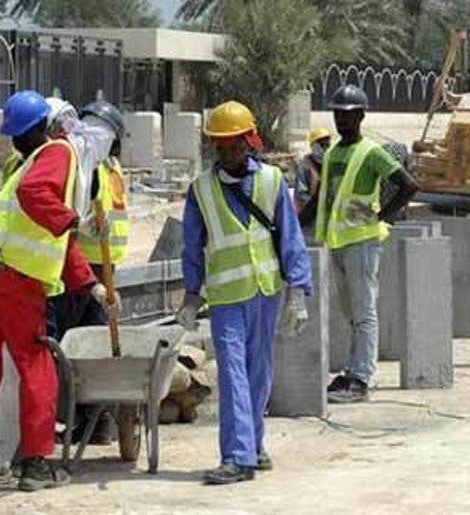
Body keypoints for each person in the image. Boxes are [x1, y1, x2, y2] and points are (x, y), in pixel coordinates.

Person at [0, 90, 115, 491]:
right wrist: (77, 222)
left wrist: (88, 284)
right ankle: (35, 463)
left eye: (15, 135)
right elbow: (40, 203)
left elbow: (47, 229)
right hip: (14, 276)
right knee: (36, 363)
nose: (14, 142)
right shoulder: (58, 154)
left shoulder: (22, 165)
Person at [177, 100, 312, 485]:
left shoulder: (271, 182)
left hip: (265, 291)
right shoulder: (201, 190)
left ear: (249, 142)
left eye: (234, 145)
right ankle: (237, 456)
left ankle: (252, 445)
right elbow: (191, 246)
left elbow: (291, 239)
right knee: (234, 373)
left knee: (259, 371)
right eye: (220, 146)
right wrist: (190, 294)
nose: (227, 153)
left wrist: (298, 292)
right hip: (225, 297)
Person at [311, 85, 418, 403]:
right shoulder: (332, 153)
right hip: (338, 242)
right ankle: (352, 370)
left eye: (347, 114)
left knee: (364, 311)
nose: (341, 119)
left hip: (363, 241)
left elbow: (409, 185)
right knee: (351, 312)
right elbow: (321, 198)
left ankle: (362, 377)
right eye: (337, 114)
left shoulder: (370, 152)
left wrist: (381, 216)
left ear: (360, 115)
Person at [50, 100, 129, 445]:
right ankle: (94, 422)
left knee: (80, 345)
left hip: (86, 268)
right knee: (90, 344)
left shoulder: (97, 167)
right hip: (91, 267)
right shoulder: (106, 167)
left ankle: (91, 421)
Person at [295, 128, 331, 216]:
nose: (325, 148)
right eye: (322, 145)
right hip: (308, 215)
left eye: (327, 145)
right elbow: (301, 194)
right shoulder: (305, 166)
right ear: (313, 146)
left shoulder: (329, 164)